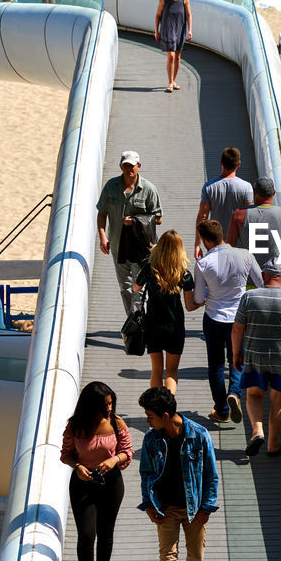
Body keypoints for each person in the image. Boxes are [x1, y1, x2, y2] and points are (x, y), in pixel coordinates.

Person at [136, 386, 218, 561]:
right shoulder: (151, 439)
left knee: (197, 555)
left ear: (165, 415)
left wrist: (206, 507)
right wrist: (149, 505)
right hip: (165, 510)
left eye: (150, 415)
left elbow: (210, 476)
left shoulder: (199, 435)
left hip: (195, 510)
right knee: (167, 560)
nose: (147, 420)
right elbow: (146, 474)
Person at [61, 381, 132, 561]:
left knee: (106, 531)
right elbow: (66, 454)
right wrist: (77, 466)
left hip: (110, 483)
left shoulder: (116, 423)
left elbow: (127, 451)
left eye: (111, 403)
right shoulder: (75, 426)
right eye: (105, 405)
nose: (109, 408)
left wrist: (114, 460)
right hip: (83, 483)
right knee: (87, 534)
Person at [232, 258, 281, 458]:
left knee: (254, 395)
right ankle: (273, 445)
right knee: (278, 400)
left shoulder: (249, 297)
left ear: (264, 276)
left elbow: (237, 329)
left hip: (255, 355)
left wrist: (236, 353)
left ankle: (257, 431)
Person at [192, 218, 262, 423]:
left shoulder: (203, 264)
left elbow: (197, 298)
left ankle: (222, 411)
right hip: (239, 318)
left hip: (214, 317)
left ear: (206, 241)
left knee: (215, 365)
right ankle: (234, 393)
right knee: (237, 360)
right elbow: (259, 284)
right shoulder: (245, 255)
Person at [97, 150, 163, 316]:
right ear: (121, 167)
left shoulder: (149, 189)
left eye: (132, 166)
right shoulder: (111, 187)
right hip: (118, 247)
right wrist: (103, 237)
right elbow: (102, 213)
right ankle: (133, 321)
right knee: (125, 288)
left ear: (139, 166)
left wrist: (134, 220)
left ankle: (140, 322)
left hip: (141, 249)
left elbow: (159, 218)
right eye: (125, 166)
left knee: (139, 287)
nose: (129, 169)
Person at [132, 230, 196, 393]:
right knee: (172, 372)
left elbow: (135, 287)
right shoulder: (185, 275)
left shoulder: (150, 269)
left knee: (156, 370)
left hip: (153, 325)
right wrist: (202, 303)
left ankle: (156, 407)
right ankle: (168, 404)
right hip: (175, 326)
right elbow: (189, 306)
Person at [227, 176, 281, 274]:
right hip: (277, 278)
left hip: (249, 277)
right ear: (274, 193)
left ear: (254, 192)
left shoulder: (239, 214)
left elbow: (230, 245)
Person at [197, 147, 254, 245]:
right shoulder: (246, 187)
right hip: (239, 243)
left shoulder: (208, 187)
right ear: (239, 164)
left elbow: (203, 216)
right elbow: (250, 218)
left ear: (221, 163)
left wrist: (197, 244)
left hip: (216, 241)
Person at [154, 0, 192, 93]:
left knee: (178, 56)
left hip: (180, 30)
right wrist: (156, 30)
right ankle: (170, 82)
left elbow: (189, 15)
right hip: (167, 30)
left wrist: (190, 30)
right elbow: (158, 16)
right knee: (171, 56)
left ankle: (174, 81)